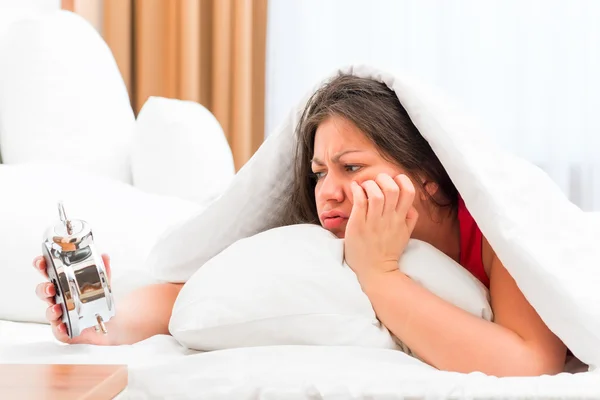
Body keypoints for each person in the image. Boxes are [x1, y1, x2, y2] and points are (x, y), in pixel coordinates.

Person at [32, 74, 566, 376]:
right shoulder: (324, 239)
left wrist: (379, 276)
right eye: (318, 173)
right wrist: (103, 322)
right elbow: (197, 293)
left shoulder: (498, 228)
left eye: (352, 168)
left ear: (428, 179)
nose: (327, 191)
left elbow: (530, 360)